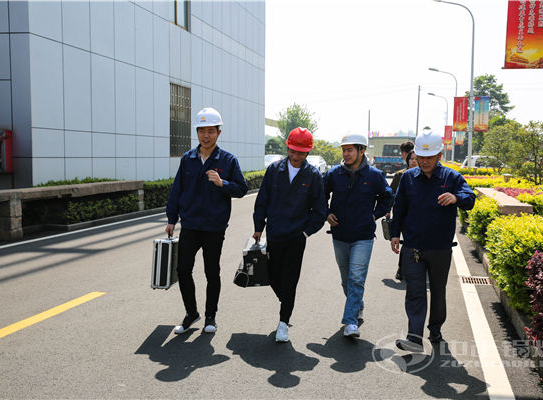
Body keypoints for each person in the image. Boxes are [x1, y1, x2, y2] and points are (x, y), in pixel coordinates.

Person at [389, 131, 475, 352]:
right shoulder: (408, 178)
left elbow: (470, 199)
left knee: (438, 291)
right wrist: (394, 233)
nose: (425, 161)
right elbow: (399, 207)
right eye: (421, 156)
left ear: (439, 156)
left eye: (430, 157)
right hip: (413, 247)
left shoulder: (452, 178)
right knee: (415, 292)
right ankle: (414, 338)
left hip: (440, 248)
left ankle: (435, 329)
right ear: (416, 155)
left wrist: (456, 197)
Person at [166, 107, 248, 335]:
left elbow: (242, 189)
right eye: (202, 131)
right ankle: (191, 313)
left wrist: (223, 184)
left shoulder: (228, 160)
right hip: (190, 225)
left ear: (218, 133)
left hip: (214, 227)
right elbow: (176, 191)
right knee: (183, 270)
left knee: (212, 272)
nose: (206, 135)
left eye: (210, 131)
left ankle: (211, 316)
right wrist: (172, 219)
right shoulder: (188, 159)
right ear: (197, 133)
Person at [253, 127, 327, 343]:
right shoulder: (274, 170)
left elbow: (320, 210)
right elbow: (262, 200)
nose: (296, 157)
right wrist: (259, 226)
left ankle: (283, 322)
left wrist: (306, 232)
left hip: (296, 237)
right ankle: (287, 301)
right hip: (275, 233)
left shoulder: (313, 175)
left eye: (301, 153)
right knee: (274, 276)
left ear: (307, 153)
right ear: (288, 148)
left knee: (290, 279)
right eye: (293, 151)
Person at [324, 134, 393, 338]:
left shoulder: (374, 176)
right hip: (339, 235)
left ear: (361, 151)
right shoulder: (333, 174)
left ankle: (350, 322)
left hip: (363, 236)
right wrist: (326, 213)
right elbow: (319, 195)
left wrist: (374, 214)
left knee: (356, 278)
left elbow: (387, 197)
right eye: (343, 150)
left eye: (350, 150)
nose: (345, 154)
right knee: (346, 280)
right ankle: (358, 305)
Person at [389, 149, 418, 280]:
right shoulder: (400, 175)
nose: (414, 161)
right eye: (411, 159)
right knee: (406, 244)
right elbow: (391, 195)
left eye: (416, 159)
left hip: (416, 216)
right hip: (402, 215)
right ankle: (402, 268)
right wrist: (388, 210)